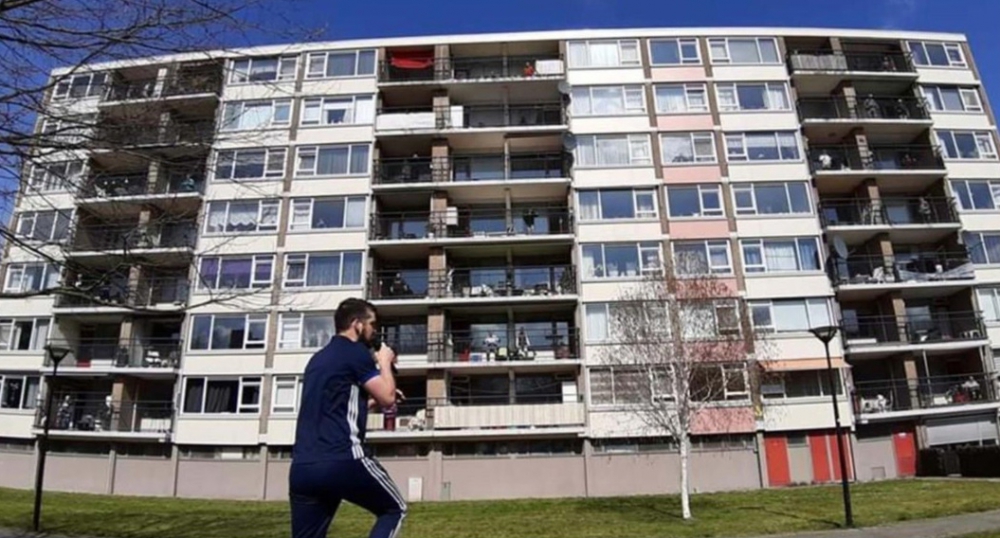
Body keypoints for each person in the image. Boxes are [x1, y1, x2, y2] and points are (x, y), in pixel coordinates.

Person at [289, 298, 407, 538]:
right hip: (342, 459)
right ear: (357, 324)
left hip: (303, 468)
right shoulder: (356, 353)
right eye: (372, 324)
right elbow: (387, 398)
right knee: (394, 509)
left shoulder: (317, 360)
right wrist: (384, 361)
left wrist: (372, 401)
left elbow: (339, 408)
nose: (375, 330)